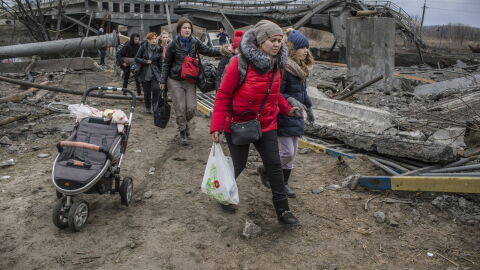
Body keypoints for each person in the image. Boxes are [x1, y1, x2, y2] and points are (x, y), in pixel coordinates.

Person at [210, 20, 301, 225]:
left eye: (279, 41)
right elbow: (223, 95)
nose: (277, 45)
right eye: (272, 40)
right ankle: (224, 194)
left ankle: (283, 210)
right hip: (237, 123)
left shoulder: (277, 64)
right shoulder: (238, 63)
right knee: (239, 164)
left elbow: (274, 93)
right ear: (260, 41)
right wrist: (216, 126)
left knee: (274, 165)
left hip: (266, 123)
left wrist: (288, 109)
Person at [258, 28, 315, 198]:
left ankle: (284, 184)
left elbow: (303, 93)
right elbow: (277, 92)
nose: (305, 51)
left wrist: (309, 108)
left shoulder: (300, 69)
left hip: (297, 116)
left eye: (306, 47)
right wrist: (290, 101)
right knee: (287, 153)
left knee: (293, 153)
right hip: (284, 115)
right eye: (302, 47)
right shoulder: (284, 68)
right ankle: (265, 169)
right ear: (292, 49)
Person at [159, 17, 222, 146]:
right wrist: (162, 80)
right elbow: (166, 63)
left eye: (189, 28)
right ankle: (183, 130)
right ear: (179, 30)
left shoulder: (195, 41)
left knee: (191, 108)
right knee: (180, 107)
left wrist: (223, 51)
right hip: (175, 79)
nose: (187, 30)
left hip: (190, 79)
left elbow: (209, 51)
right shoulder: (173, 43)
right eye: (184, 28)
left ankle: (183, 123)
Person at [135, 32, 162, 113]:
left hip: (155, 73)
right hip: (145, 73)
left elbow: (160, 62)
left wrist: (162, 73)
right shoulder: (143, 47)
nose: (154, 40)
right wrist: (146, 61)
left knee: (155, 89)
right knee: (146, 92)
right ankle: (147, 107)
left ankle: (154, 107)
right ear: (148, 40)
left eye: (155, 38)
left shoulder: (158, 48)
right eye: (152, 39)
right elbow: (136, 58)